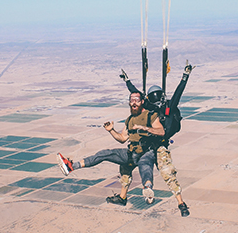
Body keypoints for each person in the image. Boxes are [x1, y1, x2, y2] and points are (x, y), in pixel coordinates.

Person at [57, 91, 163, 206]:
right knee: (104, 154)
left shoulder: (150, 116)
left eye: (137, 100)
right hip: (131, 153)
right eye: (131, 100)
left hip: (146, 152)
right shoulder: (130, 120)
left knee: (145, 168)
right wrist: (111, 131)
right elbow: (122, 138)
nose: (134, 102)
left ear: (142, 101)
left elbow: (161, 131)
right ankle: (72, 166)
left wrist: (145, 128)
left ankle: (148, 189)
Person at [119, 61, 192, 217]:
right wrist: (127, 82)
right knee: (126, 166)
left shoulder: (168, 108)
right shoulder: (153, 108)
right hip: (148, 146)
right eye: (153, 97)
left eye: (157, 97)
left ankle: (181, 203)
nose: (156, 99)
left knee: (167, 173)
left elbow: (179, 93)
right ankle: (122, 197)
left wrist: (185, 76)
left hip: (159, 146)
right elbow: (137, 93)